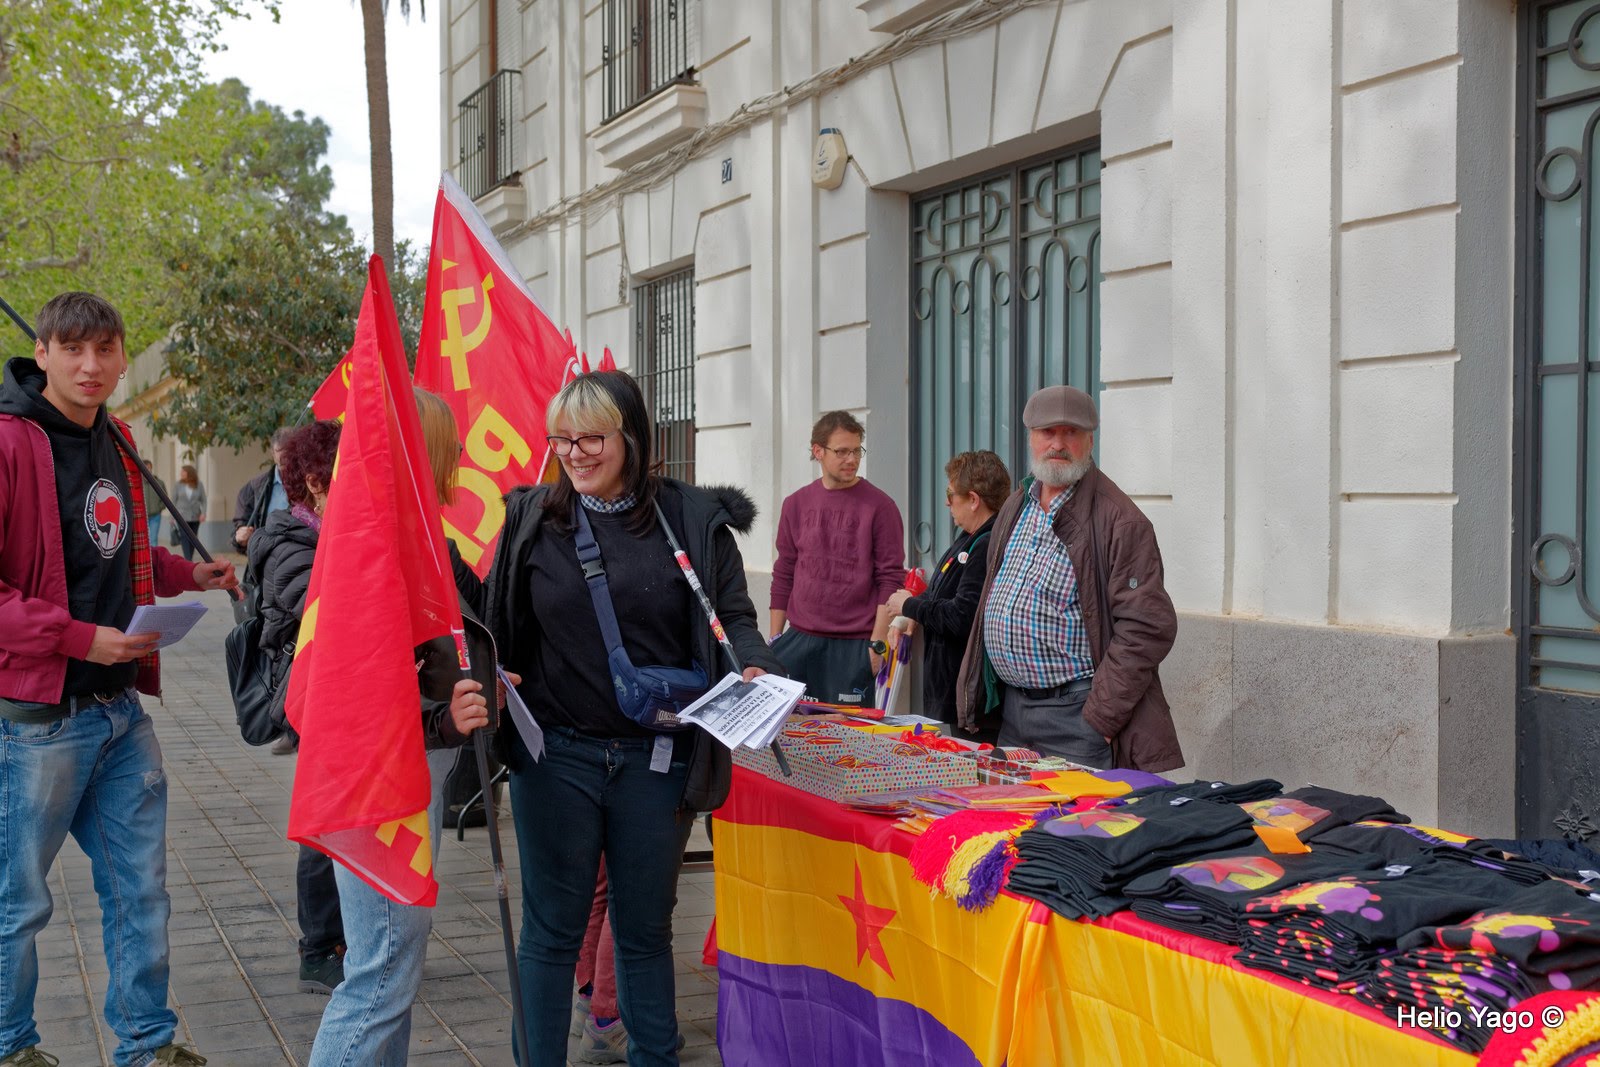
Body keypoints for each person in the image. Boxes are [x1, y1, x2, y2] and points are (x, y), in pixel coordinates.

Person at [487, 370, 783, 1067]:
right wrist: (490, 673)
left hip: (657, 761)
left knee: (646, 930)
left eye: (592, 437)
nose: (575, 452)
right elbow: (495, 624)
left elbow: (733, 616)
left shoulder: (688, 517)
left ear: (633, 436)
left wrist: (753, 663)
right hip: (555, 757)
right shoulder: (535, 517)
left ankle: (657, 1057)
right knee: (552, 934)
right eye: (562, 438)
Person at [0, 290, 238, 1067]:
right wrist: (75, 637)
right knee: (18, 903)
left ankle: (148, 1041)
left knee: (141, 891)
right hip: (36, 723)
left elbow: (122, 549)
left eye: (105, 349)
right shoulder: (9, 443)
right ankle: (12, 1044)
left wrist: (188, 574)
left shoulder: (122, 439)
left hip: (120, 713)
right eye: (73, 349)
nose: (91, 365)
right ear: (42, 353)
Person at [304, 389, 504, 1067]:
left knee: (390, 971)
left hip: (405, 775)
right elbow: (360, 685)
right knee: (382, 974)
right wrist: (442, 718)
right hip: (384, 781)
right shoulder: (376, 543)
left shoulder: (410, 537)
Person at [956, 386, 1182, 772]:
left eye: (1071, 433)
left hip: (1076, 719)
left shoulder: (1120, 521)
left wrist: (1101, 719)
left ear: (1090, 439)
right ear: (1030, 437)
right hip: (1012, 714)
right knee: (1018, 830)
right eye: (1047, 432)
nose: (1058, 444)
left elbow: (1147, 628)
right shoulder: (1017, 505)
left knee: (1072, 830)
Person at [247, 420, 347, 994]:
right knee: (323, 827)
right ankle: (317, 948)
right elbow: (322, 605)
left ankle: (343, 938)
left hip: (344, 700)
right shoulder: (292, 542)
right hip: (314, 702)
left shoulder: (328, 533)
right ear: (315, 484)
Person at [769, 411, 904, 705]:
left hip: (853, 646)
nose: (852, 459)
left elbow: (889, 578)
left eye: (856, 450)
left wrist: (877, 646)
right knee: (790, 739)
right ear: (818, 451)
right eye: (842, 451)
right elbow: (784, 571)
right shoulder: (795, 504)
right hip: (798, 641)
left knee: (846, 745)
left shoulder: (881, 507)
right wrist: (774, 640)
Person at [883, 451, 1009, 726]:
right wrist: (908, 615)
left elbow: (962, 616)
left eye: (951, 495)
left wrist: (909, 605)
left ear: (973, 500)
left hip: (965, 701)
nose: (946, 502)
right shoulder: (968, 537)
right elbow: (938, 592)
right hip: (947, 691)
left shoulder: (987, 545)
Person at [233, 427, 293, 551]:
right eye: (279, 451)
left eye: (288, 450)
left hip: (298, 560)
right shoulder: (255, 487)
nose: (283, 456)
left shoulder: (310, 485)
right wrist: (240, 537)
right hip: (264, 561)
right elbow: (240, 530)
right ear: (272, 453)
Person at [171, 464, 206, 561]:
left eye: (183, 472)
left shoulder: (199, 484)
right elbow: (173, 501)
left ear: (189, 473)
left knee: (193, 539)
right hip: (181, 516)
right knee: (184, 537)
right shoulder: (178, 485)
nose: (181, 473)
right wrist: (172, 517)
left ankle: (189, 557)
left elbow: (204, 500)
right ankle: (188, 559)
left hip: (195, 516)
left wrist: (203, 513)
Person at [145, 470, 166, 549]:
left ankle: (153, 560)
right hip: (142, 516)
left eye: (148, 468)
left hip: (155, 515)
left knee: (153, 539)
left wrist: (159, 508)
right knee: (144, 539)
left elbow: (164, 498)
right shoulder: (137, 482)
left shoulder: (159, 483)